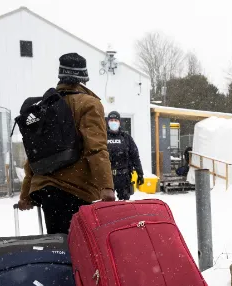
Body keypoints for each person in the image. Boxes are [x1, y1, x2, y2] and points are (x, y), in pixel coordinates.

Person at [18, 52, 115, 234]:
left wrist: (25, 194)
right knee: (76, 250)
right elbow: (95, 148)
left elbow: (35, 153)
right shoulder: (89, 104)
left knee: (58, 247)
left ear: (61, 76)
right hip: (75, 188)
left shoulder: (44, 105)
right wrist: (106, 186)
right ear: (83, 78)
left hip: (45, 189)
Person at [106, 111, 144, 201]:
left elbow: (135, 156)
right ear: (108, 122)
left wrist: (140, 173)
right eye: (111, 120)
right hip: (107, 177)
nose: (113, 122)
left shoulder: (126, 137)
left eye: (116, 120)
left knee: (124, 205)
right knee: (106, 205)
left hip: (123, 177)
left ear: (119, 122)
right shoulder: (103, 137)